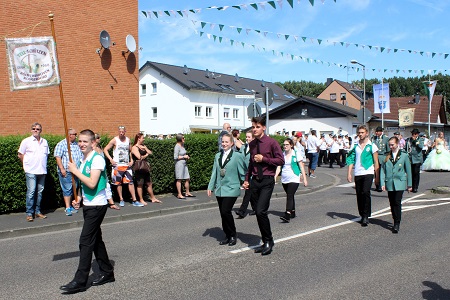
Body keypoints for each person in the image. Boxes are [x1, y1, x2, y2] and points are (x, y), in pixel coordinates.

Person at [60, 129, 116, 294]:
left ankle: (80, 280)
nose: (82, 144)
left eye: (86, 141)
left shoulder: (97, 159)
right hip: (89, 205)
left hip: (98, 206)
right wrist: (80, 200)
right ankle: (107, 272)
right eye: (80, 141)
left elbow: (92, 183)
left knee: (85, 241)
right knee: (96, 240)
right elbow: (86, 187)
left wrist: (75, 171)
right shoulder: (84, 159)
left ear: (93, 143)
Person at [242, 117, 284, 256]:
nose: (255, 129)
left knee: (261, 211)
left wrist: (264, 159)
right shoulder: (252, 144)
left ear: (264, 128)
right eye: (253, 127)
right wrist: (247, 179)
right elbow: (251, 163)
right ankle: (266, 240)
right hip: (255, 181)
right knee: (258, 213)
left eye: (257, 127)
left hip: (267, 180)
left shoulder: (271, 143)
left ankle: (269, 240)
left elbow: (280, 160)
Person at [207, 133, 245, 246]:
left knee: (226, 211)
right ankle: (227, 235)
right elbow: (214, 172)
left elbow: (242, 171)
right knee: (223, 213)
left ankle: (233, 234)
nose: (224, 144)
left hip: (232, 188)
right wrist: (210, 186)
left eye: (226, 142)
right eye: (222, 142)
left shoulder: (237, 156)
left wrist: (246, 182)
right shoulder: (217, 156)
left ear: (232, 143)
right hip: (220, 188)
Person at [347, 125, 379, 227]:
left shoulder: (372, 146)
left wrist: (377, 176)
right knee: (359, 194)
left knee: (365, 192)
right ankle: (361, 213)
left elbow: (376, 161)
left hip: (368, 171)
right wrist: (349, 173)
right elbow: (351, 159)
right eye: (359, 132)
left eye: (362, 132)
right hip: (358, 172)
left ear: (367, 133)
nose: (360, 134)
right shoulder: (355, 145)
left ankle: (366, 215)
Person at [103, 126, 142, 207]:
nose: (121, 133)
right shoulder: (115, 140)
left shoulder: (128, 140)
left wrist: (131, 160)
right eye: (120, 131)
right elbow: (105, 149)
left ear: (125, 131)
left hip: (126, 165)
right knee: (118, 183)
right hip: (117, 165)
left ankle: (134, 200)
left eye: (123, 132)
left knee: (130, 182)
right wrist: (111, 159)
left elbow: (131, 151)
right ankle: (121, 199)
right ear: (118, 131)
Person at [18, 122, 49, 222]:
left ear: (41, 131)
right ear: (31, 130)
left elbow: (46, 155)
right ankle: (29, 213)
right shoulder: (26, 141)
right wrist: (26, 165)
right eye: (34, 128)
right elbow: (20, 154)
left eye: (38, 129)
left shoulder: (45, 142)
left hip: (42, 171)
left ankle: (37, 211)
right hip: (30, 171)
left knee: (39, 192)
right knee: (31, 192)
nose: (35, 130)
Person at [380, 136, 412, 233]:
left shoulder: (404, 155)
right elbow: (383, 170)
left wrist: (409, 184)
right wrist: (382, 183)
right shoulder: (386, 156)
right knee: (392, 202)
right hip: (389, 182)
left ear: (397, 144)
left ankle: (397, 223)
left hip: (400, 182)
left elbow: (408, 170)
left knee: (397, 202)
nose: (391, 146)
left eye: (392, 144)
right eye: (389, 145)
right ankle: (395, 218)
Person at [275, 138, 308, 223]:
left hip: (294, 177)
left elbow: (301, 167)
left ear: (291, 145)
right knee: (290, 195)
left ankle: (287, 214)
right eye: (284, 145)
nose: (285, 146)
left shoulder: (296, 154)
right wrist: (275, 176)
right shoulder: (282, 155)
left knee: (289, 195)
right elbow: (279, 167)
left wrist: (304, 179)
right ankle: (292, 212)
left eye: (287, 145)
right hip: (284, 178)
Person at [54, 128, 83, 216]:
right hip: (66, 171)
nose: (76, 136)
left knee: (75, 188)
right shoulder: (62, 144)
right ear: (70, 135)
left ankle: (73, 205)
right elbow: (58, 157)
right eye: (75, 134)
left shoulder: (76, 144)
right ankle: (67, 207)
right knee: (67, 189)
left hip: (76, 171)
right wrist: (62, 168)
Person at [131, 133, 161, 205]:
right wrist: (146, 154)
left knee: (149, 183)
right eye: (142, 138)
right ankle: (141, 199)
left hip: (145, 167)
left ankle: (153, 198)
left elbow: (150, 152)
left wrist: (146, 149)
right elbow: (139, 157)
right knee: (140, 184)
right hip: (139, 168)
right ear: (139, 139)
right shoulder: (134, 147)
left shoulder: (143, 146)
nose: (144, 139)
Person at [94, 133, 119, 210]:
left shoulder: (100, 147)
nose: (100, 139)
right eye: (98, 138)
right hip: (95, 171)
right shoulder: (92, 149)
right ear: (94, 140)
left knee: (107, 186)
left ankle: (111, 203)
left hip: (103, 170)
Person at [235, 131, 256, 218]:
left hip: (253, 174)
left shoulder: (256, 148)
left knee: (248, 192)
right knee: (251, 193)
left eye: (249, 137)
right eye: (246, 137)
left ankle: (242, 211)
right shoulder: (244, 147)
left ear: (253, 138)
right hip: (245, 173)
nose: (247, 138)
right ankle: (256, 208)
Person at [174, 134, 194, 199]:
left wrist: (186, 156)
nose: (184, 139)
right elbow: (175, 157)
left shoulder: (182, 145)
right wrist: (183, 157)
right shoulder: (177, 146)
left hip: (184, 164)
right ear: (180, 139)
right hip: (179, 164)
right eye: (183, 138)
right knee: (179, 179)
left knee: (187, 178)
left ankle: (187, 192)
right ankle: (179, 194)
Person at [404, 128, 424, 193]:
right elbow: (406, 148)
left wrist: (415, 141)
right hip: (410, 158)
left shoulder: (420, 139)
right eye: (413, 134)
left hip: (417, 159)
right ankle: (411, 186)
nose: (413, 135)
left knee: (416, 173)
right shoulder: (409, 140)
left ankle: (415, 187)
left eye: (415, 134)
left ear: (417, 134)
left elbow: (421, 147)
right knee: (411, 173)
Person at [371, 126, 389, 192]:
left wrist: (387, 158)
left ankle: (382, 185)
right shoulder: (374, 138)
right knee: (376, 172)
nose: (376, 133)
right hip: (375, 157)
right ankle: (377, 185)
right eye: (376, 131)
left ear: (381, 132)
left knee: (382, 172)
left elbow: (388, 149)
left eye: (378, 131)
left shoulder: (386, 138)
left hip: (382, 156)